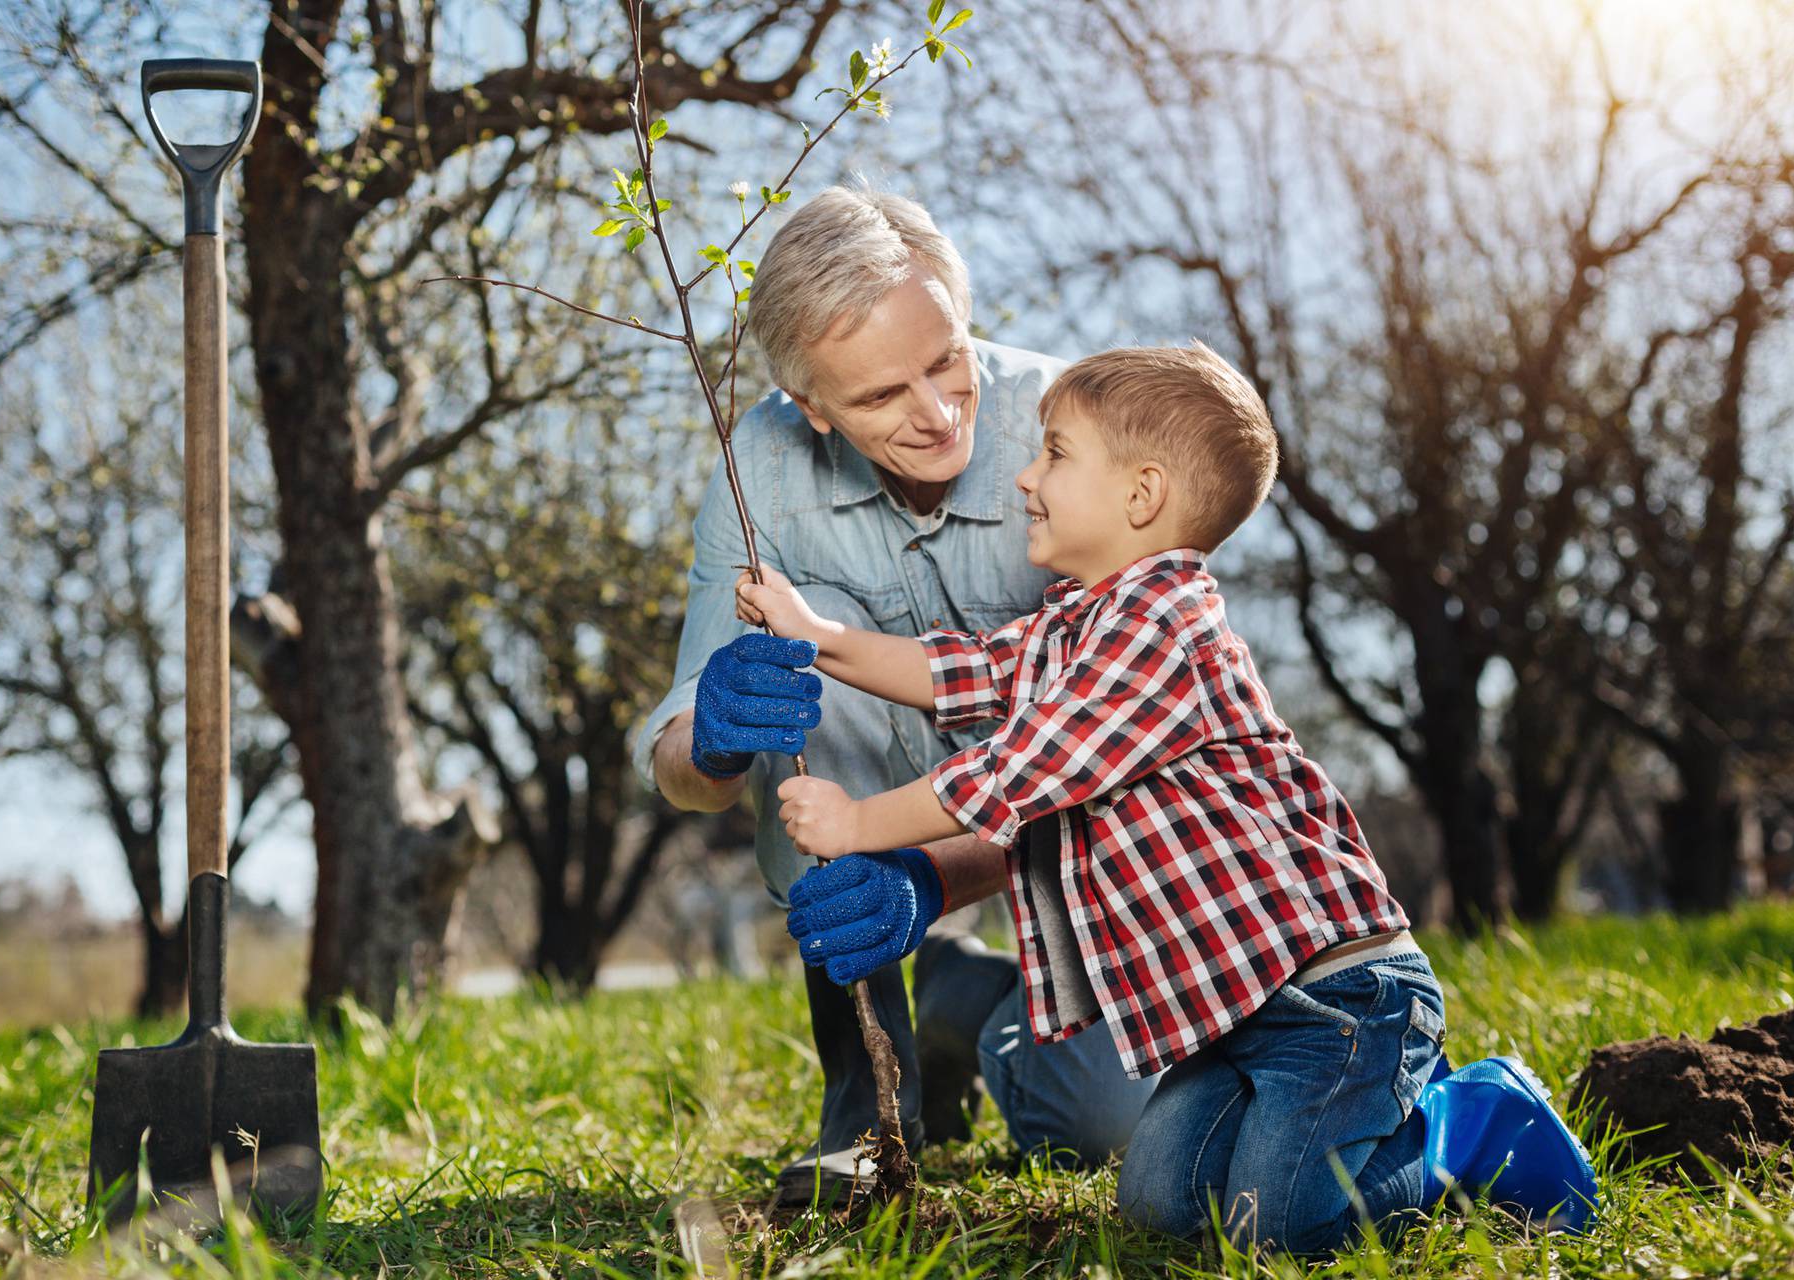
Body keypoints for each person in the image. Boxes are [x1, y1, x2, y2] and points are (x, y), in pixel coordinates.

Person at [736, 344, 1599, 1251]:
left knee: (1281, 1227)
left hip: (1336, 999)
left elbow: (1027, 764)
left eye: (1056, 455)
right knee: (1162, 1207)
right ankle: (1319, 1150)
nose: (1026, 479)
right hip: (1232, 1016)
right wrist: (818, 633)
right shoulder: (1078, 624)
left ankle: (1470, 1131)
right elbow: (956, 669)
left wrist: (861, 824)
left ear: (1142, 496)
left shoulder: (1167, 627)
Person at [632, 185, 1162, 1205]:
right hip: (869, 810)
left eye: (946, 359)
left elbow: (1135, 758)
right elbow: (679, 767)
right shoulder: (765, 473)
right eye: (881, 397)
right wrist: (712, 741)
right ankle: (868, 1095)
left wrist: (926, 880)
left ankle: (969, 1000)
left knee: (1113, 1124)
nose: (936, 413)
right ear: (812, 407)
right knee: (799, 644)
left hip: (1069, 839)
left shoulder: (1073, 438)